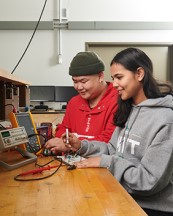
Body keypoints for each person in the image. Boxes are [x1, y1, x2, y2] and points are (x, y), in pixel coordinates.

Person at [46, 48, 173, 215]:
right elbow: (112, 149)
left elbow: (148, 181)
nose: (114, 85)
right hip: (122, 193)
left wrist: (106, 162)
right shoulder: (128, 108)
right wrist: (81, 146)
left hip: (150, 207)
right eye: (113, 78)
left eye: (119, 77)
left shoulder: (166, 119)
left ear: (140, 74)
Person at [46, 51, 118, 151]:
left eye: (84, 81)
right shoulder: (74, 103)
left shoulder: (118, 100)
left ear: (100, 76)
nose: (79, 87)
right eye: (75, 81)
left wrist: (72, 145)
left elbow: (109, 141)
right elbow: (63, 129)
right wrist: (67, 140)